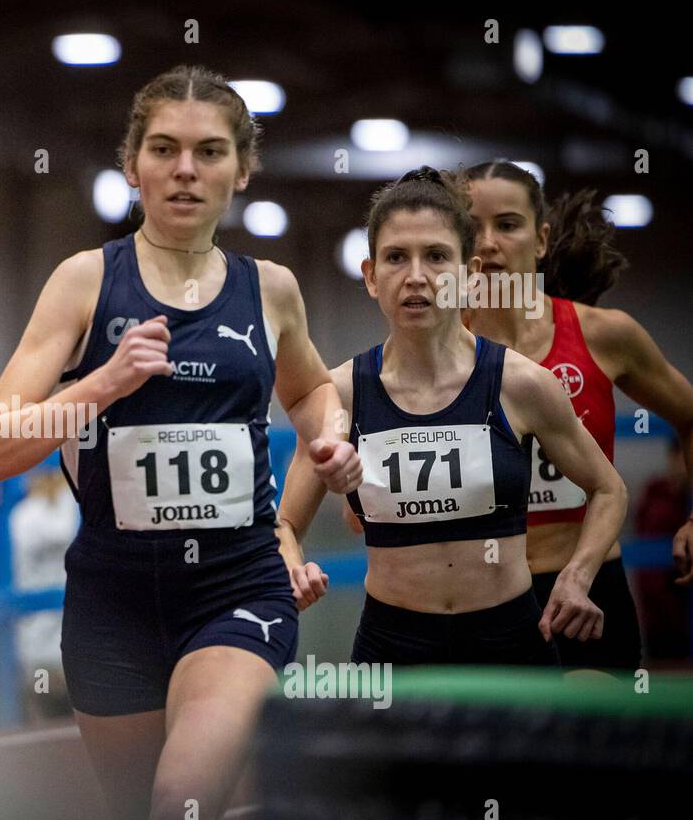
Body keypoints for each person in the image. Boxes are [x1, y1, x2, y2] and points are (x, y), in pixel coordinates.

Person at [0, 65, 359, 820]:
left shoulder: (270, 290)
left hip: (236, 586)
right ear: (132, 165)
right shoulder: (85, 282)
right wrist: (105, 384)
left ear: (241, 171)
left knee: (181, 805)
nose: (186, 170)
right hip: (113, 599)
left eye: (210, 152)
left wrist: (332, 434)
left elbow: (312, 388)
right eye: (165, 149)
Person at [277, 168, 627, 667]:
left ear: (471, 274)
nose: (416, 276)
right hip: (391, 648)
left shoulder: (521, 384)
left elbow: (609, 488)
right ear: (371, 275)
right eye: (396, 257)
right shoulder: (339, 393)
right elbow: (284, 522)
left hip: (510, 642)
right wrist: (292, 566)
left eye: (437, 256)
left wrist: (578, 575)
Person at [458, 162, 693, 670]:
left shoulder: (604, 334)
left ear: (541, 240)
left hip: (586, 592)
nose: (489, 242)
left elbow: (690, 416)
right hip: (480, 601)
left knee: (600, 747)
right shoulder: (434, 350)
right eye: (473, 226)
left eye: (507, 224)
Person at [8, 468, 79, 720]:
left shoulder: (19, 518)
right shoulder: (80, 510)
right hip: (79, 650)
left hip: (34, 653)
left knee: (42, 742)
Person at [634, 436, 691, 661]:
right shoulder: (660, 503)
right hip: (666, 615)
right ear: (674, 458)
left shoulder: (682, 500)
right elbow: (650, 576)